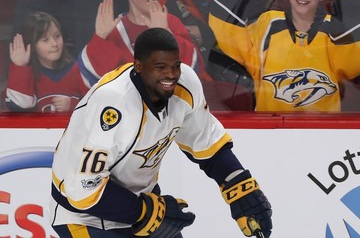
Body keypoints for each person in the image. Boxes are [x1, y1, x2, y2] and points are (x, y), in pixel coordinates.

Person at [49, 27, 273, 238]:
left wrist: (238, 186)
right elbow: (82, 191)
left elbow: (207, 144)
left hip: (141, 206)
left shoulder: (185, 85)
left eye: (175, 65)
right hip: (85, 217)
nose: (171, 75)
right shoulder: (111, 106)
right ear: (139, 66)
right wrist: (146, 213)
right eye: (160, 67)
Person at [209, 0, 360, 112]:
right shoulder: (269, 22)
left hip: (323, 131)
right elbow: (237, 48)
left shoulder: (333, 28)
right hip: (270, 128)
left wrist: (350, 28)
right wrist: (228, 2)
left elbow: (353, 68)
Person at [79, 0, 210, 87]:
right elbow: (93, 81)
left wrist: (165, 34)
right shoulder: (115, 29)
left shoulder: (170, 22)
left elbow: (193, 69)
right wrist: (100, 37)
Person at [2, 11, 89, 112]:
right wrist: (20, 67)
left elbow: (97, 105)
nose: (54, 44)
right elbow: (16, 107)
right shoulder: (25, 73)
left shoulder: (79, 69)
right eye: (45, 40)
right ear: (32, 45)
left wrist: (73, 105)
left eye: (57, 36)